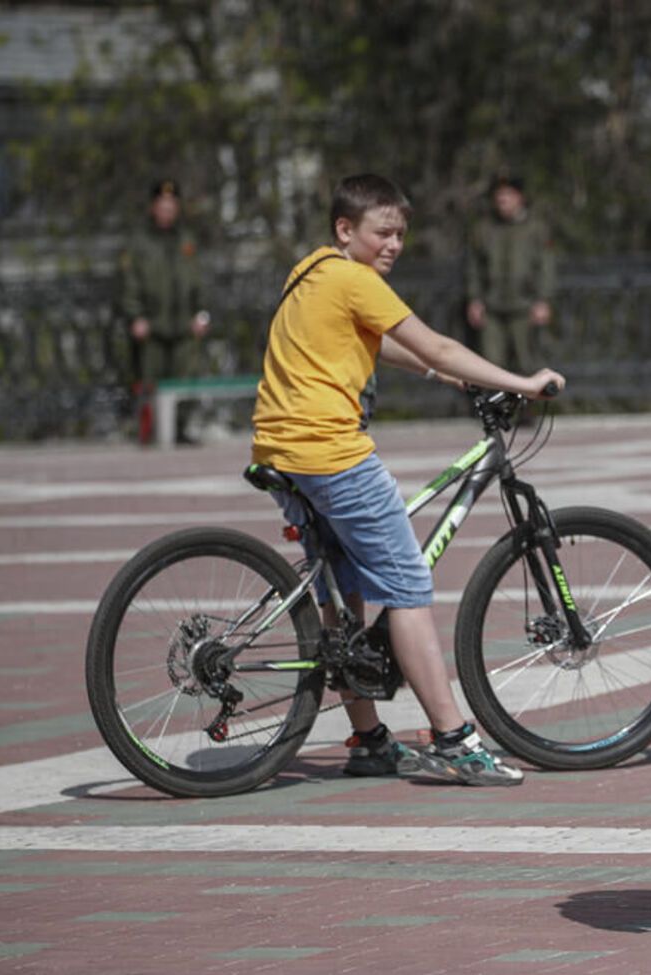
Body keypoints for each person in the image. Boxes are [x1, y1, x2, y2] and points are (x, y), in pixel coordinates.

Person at [251, 173, 564, 786]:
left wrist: (442, 376)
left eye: (401, 234)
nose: (394, 244)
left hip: (280, 448)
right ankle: (453, 738)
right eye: (382, 232)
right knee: (408, 584)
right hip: (331, 451)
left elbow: (380, 343)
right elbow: (442, 344)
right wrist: (521, 383)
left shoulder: (312, 271)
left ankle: (368, 739)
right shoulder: (355, 278)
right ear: (346, 230)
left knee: (343, 590)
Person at [118, 179, 211, 443]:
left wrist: (202, 314)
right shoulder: (139, 243)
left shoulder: (186, 240)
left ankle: (179, 429)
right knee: (150, 380)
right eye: (163, 206)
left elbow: (198, 281)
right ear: (153, 207)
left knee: (185, 378)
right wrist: (135, 316)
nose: (168, 211)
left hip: (183, 324)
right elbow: (129, 283)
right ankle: (151, 431)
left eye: (172, 206)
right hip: (152, 325)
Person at [463, 175, 556, 374]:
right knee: (491, 364)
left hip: (525, 305)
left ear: (520, 197)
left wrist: (543, 300)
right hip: (492, 306)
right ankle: (496, 405)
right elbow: (474, 267)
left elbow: (546, 266)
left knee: (527, 363)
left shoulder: (535, 228)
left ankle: (527, 405)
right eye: (499, 194)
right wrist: (474, 298)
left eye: (508, 194)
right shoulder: (484, 229)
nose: (502, 199)